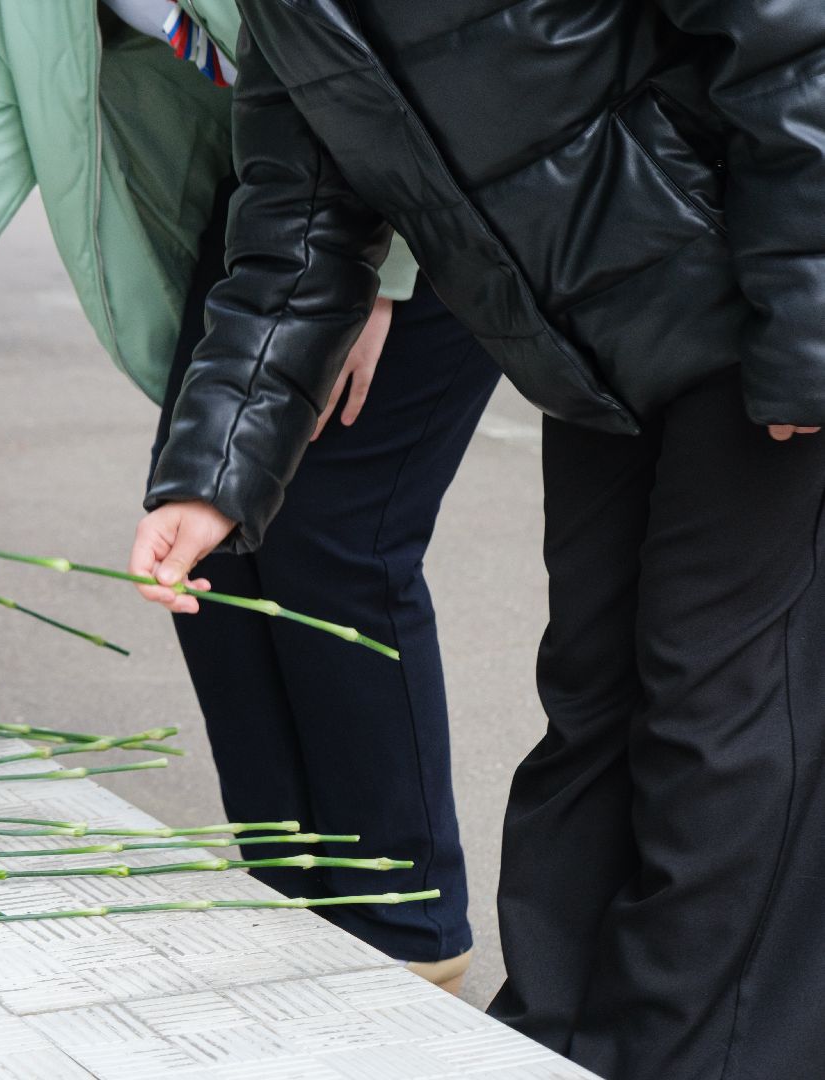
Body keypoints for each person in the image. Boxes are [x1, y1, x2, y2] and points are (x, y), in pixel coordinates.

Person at [0, 0, 498, 993]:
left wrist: (380, 276)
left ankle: (409, 926)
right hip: (270, 216)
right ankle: (295, 893)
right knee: (207, 546)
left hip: (427, 195)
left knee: (333, 542)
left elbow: (396, 39)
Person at [134, 3, 825, 1077]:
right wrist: (214, 479)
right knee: (592, 696)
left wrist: (813, 322)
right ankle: (554, 1039)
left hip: (758, 306)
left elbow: (794, 41)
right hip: (597, 351)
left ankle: (702, 1052)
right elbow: (298, 235)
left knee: (720, 711)